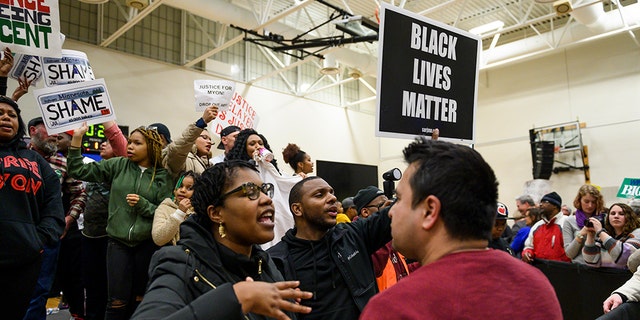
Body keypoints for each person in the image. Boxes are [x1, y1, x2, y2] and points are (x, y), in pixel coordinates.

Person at [359, 137, 562, 319]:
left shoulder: (392, 309)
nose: (391, 212)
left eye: (399, 199)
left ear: (430, 211)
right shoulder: (537, 286)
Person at [131, 160, 313, 320]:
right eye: (250, 191)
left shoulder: (264, 263)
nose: (267, 200)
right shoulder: (179, 263)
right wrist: (237, 298)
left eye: (265, 190)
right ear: (216, 213)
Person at [68, 123, 173, 319]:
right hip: (117, 242)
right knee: (116, 301)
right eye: (130, 142)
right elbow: (77, 171)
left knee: (141, 299)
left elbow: (164, 212)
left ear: (151, 147)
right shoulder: (118, 165)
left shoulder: (162, 176)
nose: (130, 146)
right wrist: (76, 139)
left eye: (136, 143)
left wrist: (143, 205)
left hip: (147, 243)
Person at [268, 177, 392, 319]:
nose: (332, 198)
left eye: (331, 192)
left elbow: (400, 211)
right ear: (297, 209)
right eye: (319, 194)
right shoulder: (276, 261)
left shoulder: (354, 235)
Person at [0, 96, 65, 320]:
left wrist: (38, 240)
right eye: (0, 113)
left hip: (24, 258)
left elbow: (53, 206)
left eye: (12, 115)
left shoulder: (35, 162)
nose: (6, 118)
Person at [25, 117, 87, 320]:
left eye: (57, 129)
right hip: (18, 232)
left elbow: (79, 193)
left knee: (40, 289)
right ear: (33, 131)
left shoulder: (62, 161)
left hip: (48, 234)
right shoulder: (17, 156)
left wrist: (69, 218)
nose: (54, 134)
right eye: (49, 128)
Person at [163, 106, 217, 177]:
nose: (209, 142)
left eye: (210, 139)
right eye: (204, 137)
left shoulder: (209, 166)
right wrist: (202, 122)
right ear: (194, 139)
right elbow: (179, 148)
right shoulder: (183, 158)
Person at [583, 203, 640, 269]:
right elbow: (591, 261)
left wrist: (600, 232)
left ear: (630, 217)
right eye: (613, 213)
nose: (616, 216)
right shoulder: (605, 235)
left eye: (621, 214)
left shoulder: (637, 233)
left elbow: (623, 258)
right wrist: (590, 235)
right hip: (605, 276)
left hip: (626, 276)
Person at [152, 171, 199, 246]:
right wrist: (179, 213)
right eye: (180, 186)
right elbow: (158, 239)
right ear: (174, 190)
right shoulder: (165, 208)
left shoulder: (200, 211)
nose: (182, 190)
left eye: (189, 188)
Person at [522, 192, 571, 263]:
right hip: (540, 269)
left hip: (562, 270)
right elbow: (529, 246)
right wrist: (527, 253)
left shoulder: (566, 223)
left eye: (545, 202)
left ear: (555, 206)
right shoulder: (537, 225)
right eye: (541, 202)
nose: (541, 204)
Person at [563, 184, 606, 264]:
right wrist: (582, 232)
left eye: (593, 202)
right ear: (579, 200)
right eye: (586, 201)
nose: (590, 205)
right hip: (580, 268)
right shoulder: (569, 221)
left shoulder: (604, 219)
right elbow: (569, 254)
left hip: (602, 267)